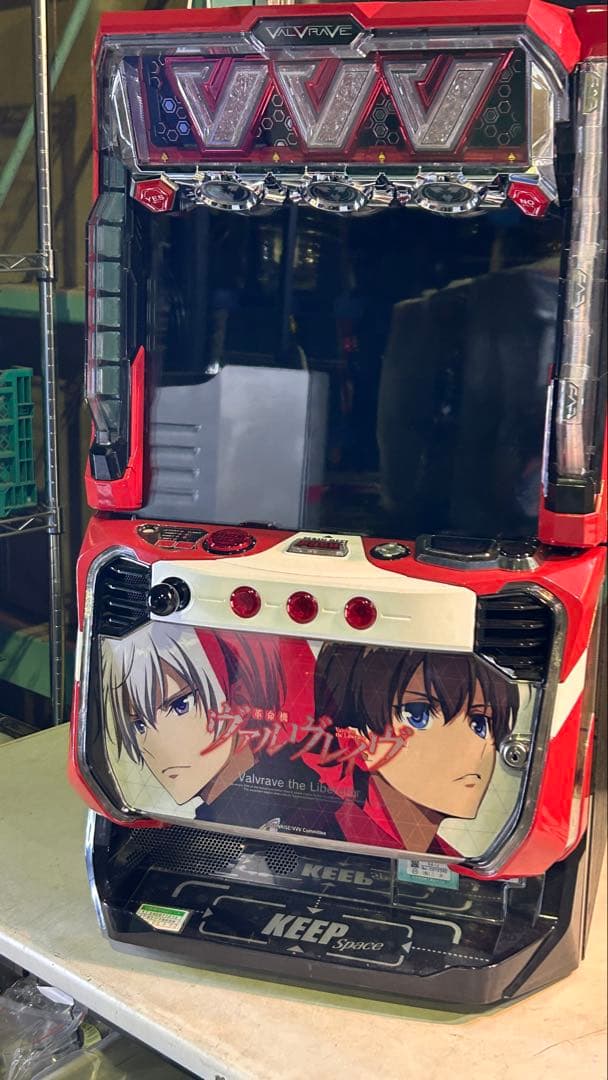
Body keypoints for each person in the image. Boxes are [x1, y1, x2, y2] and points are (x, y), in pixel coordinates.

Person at [309, 643, 519, 853]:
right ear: (357, 737)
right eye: (418, 715)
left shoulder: (458, 857)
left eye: (479, 724)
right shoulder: (331, 835)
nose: (471, 746)